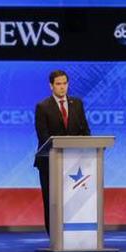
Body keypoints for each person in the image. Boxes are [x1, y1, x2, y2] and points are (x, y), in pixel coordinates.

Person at [34, 70, 91, 238]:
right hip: (49, 163)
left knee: (74, 199)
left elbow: (85, 130)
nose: (62, 87)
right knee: (52, 200)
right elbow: (43, 137)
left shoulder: (77, 103)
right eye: (58, 84)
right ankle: (54, 236)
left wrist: (85, 147)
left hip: (75, 162)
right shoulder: (43, 107)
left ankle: (74, 234)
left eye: (65, 83)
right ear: (51, 86)